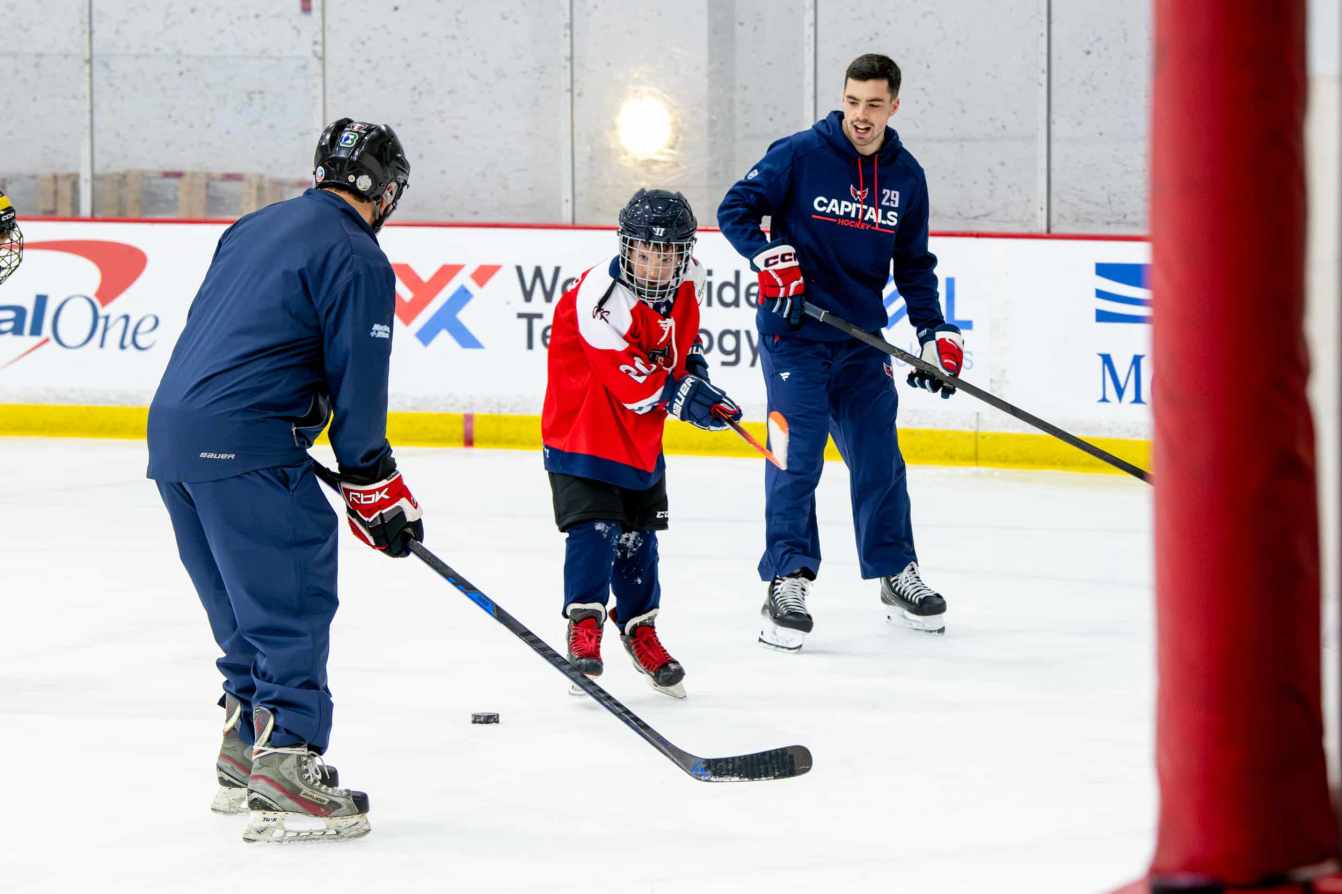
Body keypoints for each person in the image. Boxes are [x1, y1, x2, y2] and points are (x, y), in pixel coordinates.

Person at [147, 118, 423, 842]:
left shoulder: (253, 225)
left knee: (245, 609)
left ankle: (245, 747)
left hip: (173, 438)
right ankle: (288, 761)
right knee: (292, 592)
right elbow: (359, 382)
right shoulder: (357, 254)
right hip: (248, 443)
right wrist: (372, 477)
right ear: (385, 189)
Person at [717, 53, 965, 651]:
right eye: (853, 101)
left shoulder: (906, 177)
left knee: (880, 460)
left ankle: (895, 572)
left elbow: (913, 265)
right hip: (794, 337)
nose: (861, 114)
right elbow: (735, 209)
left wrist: (934, 332)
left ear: (894, 106)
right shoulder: (800, 154)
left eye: (874, 104)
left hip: (860, 343)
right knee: (795, 459)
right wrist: (766, 255)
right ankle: (787, 578)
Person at [542, 188, 742, 699]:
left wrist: (696, 373)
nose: (655, 266)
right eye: (646, 253)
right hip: (582, 432)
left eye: (667, 255)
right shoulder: (599, 297)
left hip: (640, 442)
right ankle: (584, 628)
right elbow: (633, 386)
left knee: (640, 539)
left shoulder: (689, 281)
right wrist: (686, 398)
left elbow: (682, 343)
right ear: (627, 247)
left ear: (684, 253)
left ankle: (640, 632)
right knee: (595, 531)